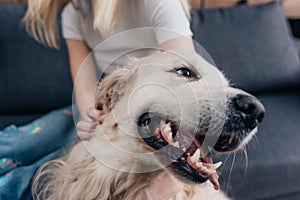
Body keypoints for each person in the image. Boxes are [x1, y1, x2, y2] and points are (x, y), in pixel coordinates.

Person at [10, 0, 196, 199]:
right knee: (23, 141)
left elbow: (188, 78)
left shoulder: (157, 3)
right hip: (105, 114)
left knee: (41, 164)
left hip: (147, 121)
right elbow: (84, 85)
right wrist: (92, 119)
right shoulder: (74, 14)